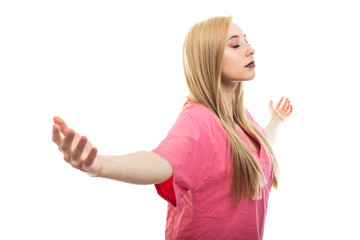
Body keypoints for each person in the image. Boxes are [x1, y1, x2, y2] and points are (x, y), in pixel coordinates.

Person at [51, 15, 293, 240]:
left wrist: (277, 120)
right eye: (235, 45)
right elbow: (161, 162)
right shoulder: (199, 119)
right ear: (209, 57)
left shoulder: (243, 119)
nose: (250, 49)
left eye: (247, 41)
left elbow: (257, 150)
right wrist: (99, 166)